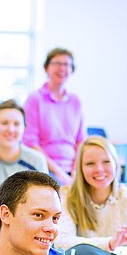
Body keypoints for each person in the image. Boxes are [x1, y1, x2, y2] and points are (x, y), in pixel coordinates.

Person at [23, 47, 85, 185]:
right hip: (44, 168)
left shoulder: (75, 101)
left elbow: (80, 140)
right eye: (57, 63)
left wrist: (76, 170)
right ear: (46, 68)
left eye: (67, 64)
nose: (62, 68)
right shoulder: (35, 99)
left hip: (73, 168)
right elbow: (30, 143)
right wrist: (60, 173)